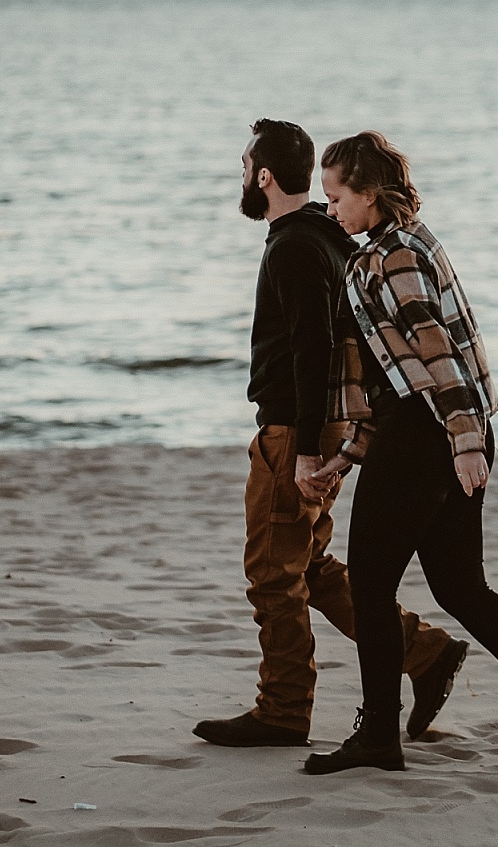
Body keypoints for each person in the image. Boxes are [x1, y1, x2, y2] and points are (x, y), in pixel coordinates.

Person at [302, 131, 498, 776]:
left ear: (371, 194)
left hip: (430, 437)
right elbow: (395, 373)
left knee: (373, 585)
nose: (330, 210)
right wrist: (355, 448)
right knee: (462, 589)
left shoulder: (395, 257)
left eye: (336, 197)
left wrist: (464, 443)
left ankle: (380, 735)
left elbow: (437, 354)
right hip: (429, 431)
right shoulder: (398, 244)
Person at [193, 119, 470, 751]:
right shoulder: (328, 236)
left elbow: (315, 349)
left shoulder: (293, 245)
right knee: (308, 567)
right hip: (319, 424)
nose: (241, 177)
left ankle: (283, 710)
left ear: (263, 176)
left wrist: (309, 449)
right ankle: (424, 653)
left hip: (295, 430)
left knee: (271, 575)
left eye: (243, 166)